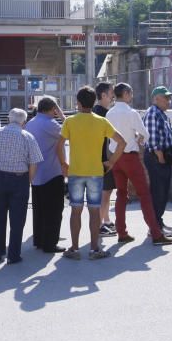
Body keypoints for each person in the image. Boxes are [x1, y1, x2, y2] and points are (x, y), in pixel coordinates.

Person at [59, 86, 126, 260]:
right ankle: (94, 249)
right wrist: (111, 162)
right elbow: (122, 142)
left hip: (75, 172)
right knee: (95, 211)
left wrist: (63, 164)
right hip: (96, 172)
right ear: (94, 101)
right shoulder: (101, 121)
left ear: (78, 103)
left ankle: (74, 248)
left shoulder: (70, 122)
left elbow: (59, 145)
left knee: (76, 211)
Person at [106, 83, 172, 244]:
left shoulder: (109, 113)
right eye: (131, 93)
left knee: (121, 194)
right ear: (126, 93)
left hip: (116, 156)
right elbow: (145, 134)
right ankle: (156, 233)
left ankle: (121, 232)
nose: (132, 95)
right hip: (130, 156)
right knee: (144, 194)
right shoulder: (131, 112)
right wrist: (137, 137)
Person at [0, 107, 43, 263]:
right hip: (19, 178)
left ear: (9, 119)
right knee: (17, 219)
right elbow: (34, 162)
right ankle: (13, 254)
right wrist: (28, 180)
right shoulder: (27, 136)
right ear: (24, 121)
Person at [24, 96, 66, 253]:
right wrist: (62, 116)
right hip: (51, 171)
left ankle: (39, 240)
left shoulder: (31, 123)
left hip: (35, 174)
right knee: (54, 210)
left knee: (39, 210)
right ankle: (50, 243)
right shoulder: (51, 124)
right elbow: (68, 132)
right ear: (53, 109)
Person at [143, 86, 172, 237]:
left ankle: (158, 222)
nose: (169, 101)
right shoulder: (153, 113)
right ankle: (154, 227)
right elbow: (152, 137)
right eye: (166, 98)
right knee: (158, 192)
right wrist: (160, 156)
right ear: (156, 99)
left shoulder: (161, 114)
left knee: (162, 192)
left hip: (163, 157)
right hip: (157, 157)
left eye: (169, 97)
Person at [92, 81, 117, 237]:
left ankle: (106, 220)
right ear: (103, 95)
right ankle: (100, 225)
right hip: (102, 160)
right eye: (111, 93)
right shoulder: (101, 113)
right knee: (105, 192)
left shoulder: (101, 111)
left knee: (107, 191)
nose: (113, 96)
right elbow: (99, 141)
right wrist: (104, 159)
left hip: (103, 158)